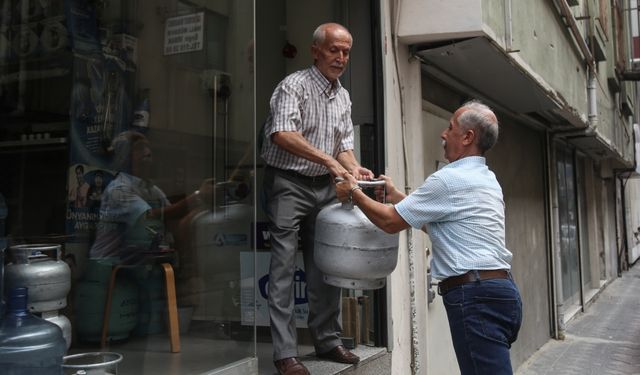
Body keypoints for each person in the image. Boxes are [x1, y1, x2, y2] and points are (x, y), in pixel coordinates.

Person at [336, 100, 523, 375]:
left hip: (475, 296)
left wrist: (354, 194)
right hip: (501, 293)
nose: (443, 134)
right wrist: (397, 197)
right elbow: (443, 225)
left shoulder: (448, 180)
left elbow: (389, 222)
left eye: (450, 128)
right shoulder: (487, 178)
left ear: (468, 137)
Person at [261, 22, 373, 375]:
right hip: (287, 182)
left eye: (346, 52)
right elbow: (281, 134)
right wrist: (328, 160)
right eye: (333, 50)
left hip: (324, 187)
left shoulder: (343, 95)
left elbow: (344, 148)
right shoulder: (294, 85)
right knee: (281, 266)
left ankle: (327, 340)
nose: (340, 58)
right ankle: (285, 354)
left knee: (326, 263)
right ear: (315, 50)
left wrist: (356, 170)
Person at [90, 130, 215, 265]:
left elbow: (173, 217)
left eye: (148, 147)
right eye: (139, 148)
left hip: (134, 265)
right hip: (108, 269)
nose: (148, 152)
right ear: (124, 156)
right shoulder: (118, 190)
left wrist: (204, 209)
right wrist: (198, 196)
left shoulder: (151, 190)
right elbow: (149, 216)